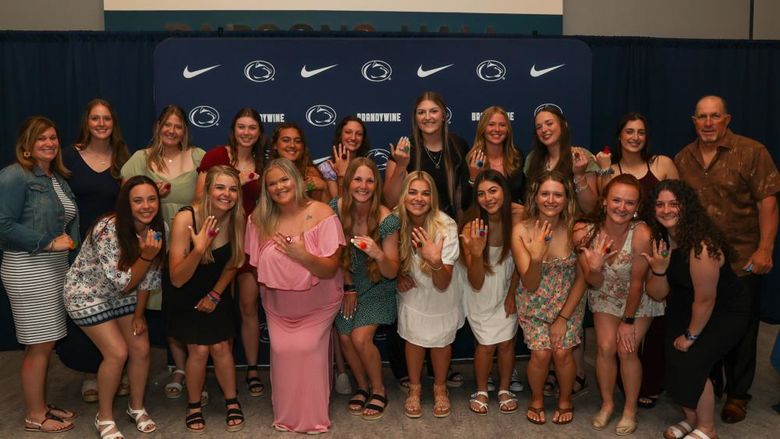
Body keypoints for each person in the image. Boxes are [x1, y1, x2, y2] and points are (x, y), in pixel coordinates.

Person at [674, 95, 779, 423]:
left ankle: (738, 394)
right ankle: (710, 385)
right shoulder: (683, 158)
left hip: (741, 260)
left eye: (714, 116)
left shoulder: (752, 151)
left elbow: (768, 203)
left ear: (727, 119)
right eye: (702, 117)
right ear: (694, 121)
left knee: (743, 332)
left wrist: (765, 249)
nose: (707, 123)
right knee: (703, 325)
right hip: (699, 261)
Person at [644, 179, 751, 439]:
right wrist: (658, 269)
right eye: (660, 204)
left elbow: (706, 299)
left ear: (686, 207)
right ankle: (691, 419)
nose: (666, 210)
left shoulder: (702, 244)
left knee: (691, 361)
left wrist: (691, 336)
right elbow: (657, 293)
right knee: (672, 358)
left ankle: (707, 428)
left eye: (673, 204)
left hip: (724, 310)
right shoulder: (662, 240)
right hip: (686, 304)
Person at [245, 158, 345, 434]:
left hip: (320, 302)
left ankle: (313, 418)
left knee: (307, 348)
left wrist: (302, 256)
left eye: (284, 180)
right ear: (266, 189)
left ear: (297, 180)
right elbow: (257, 268)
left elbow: (330, 268)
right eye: (272, 183)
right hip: (279, 307)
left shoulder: (322, 213)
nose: (280, 187)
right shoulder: (258, 219)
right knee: (281, 350)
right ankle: (286, 416)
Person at [63, 175, 164, 438]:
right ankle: (104, 417)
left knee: (141, 347)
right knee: (117, 353)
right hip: (87, 294)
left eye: (151, 199)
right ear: (126, 204)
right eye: (138, 200)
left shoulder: (155, 230)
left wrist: (140, 315)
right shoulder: (108, 228)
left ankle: (136, 407)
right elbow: (123, 282)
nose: (146, 206)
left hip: (122, 294)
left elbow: (148, 279)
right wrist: (146, 255)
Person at [383, 91, 470, 389]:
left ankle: (439, 374)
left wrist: (453, 240)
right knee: (411, 305)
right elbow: (391, 199)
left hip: (443, 232)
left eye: (434, 111)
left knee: (442, 300)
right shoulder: (405, 148)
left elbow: (463, 196)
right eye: (422, 112)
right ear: (415, 117)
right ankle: (411, 374)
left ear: (444, 114)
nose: (428, 117)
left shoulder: (458, 145)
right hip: (408, 231)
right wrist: (400, 164)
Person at [121, 104, 206, 399]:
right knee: (158, 305)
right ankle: (166, 367)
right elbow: (124, 199)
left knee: (184, 302)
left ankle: (189, 368)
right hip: (150, 243)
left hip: (186, 242)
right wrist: (151, 193)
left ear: (185, 130)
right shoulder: (139, 159)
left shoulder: (198, 157)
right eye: (167, 125)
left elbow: (208, 200)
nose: (172, 130)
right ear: (158, 127)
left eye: (178, 125)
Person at [0, 116, 79, 433]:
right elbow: (3, 225)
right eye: (41, 138)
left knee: (46, 342)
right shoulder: (14, 176)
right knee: (38, 344)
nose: (49, 143)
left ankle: (42, 405)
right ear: (26, 145)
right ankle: (34, 414)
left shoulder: (56, 178)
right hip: (27, 268)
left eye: (53, 137)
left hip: (53, 268)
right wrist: (46, 243)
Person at [596, 112, 677, 409]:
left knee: (654, 331)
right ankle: (617, 395)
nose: (635, 137)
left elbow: (679, 202)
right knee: (613, 344)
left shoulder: (662, 164)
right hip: (618, 256)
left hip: (656, 251)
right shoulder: (607, 167)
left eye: (640, 132)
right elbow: (597, 206)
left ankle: (651, 386)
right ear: (619, 136)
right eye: (629, 131)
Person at [60, 98, 132, 403]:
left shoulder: (122, 158)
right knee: (91, 311)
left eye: (106, 119)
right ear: (86, 123)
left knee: (116, 307)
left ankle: (117, 369)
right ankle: (91, 373)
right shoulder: (69, 158)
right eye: (95, 119)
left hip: (115, 247)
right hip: (80, 248)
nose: (101, 124)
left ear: (113, 123)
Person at [573, 174, 655, 435]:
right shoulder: (588, 232)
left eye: (629, 203)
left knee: (626, 348)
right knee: (606, 347)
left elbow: (637, 283)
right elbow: (594, 282)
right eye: (616, 200)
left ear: (637, 207)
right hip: (605, 293)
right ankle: (608, 404)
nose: (622, 207)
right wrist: (595, 267)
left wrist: (627, 322)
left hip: (638, 299)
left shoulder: (641, 233)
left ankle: (630, 409)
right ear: (604, 202)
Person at [166, 166, 246, 433]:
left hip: (216, 289)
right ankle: (193, 405)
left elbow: (235, 262)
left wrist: (215, 294)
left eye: (233, 189)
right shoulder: (185, 219)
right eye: (221, 187)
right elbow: (177, 278)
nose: (227, 194)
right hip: (185, 290)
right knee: (199, 349)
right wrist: (199, 248)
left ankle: (231, 400)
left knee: (222, 346)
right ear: (208, 190)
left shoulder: (237, 218)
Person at [194, 108, 266, 398]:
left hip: (248, 240)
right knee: (219, 304)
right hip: (218, 241)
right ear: (233, 129)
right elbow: (199, 199)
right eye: (241, 127)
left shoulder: (263, 162)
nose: (246, 132)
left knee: (248, 307)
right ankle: (212, 369)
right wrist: (238, 183)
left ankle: (250, 368)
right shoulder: (215, 157)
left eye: (252, 128)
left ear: (259, 132)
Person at [512, 170, 587, 425]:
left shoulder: (576, 229)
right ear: (535, 196)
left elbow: (582, 278)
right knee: (542, 354)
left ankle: (565, 399)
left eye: (558, 194)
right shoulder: (521, 230)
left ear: (567, 199)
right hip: (534, 301)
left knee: (563, 352)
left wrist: (563, 318)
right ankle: (536, 398)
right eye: (545, 194)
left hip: (568, 301)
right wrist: (536, 256)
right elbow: (530, 284)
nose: (551, 200)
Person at [330, 157, 399, 420]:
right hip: (348, 284)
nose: (363, 185)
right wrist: (348, 287)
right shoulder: (335, 209)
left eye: (369, 180)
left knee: (360, 337)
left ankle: (379, 390)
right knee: (345, 334)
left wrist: (378, 253)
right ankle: (361, 386)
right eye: (357, 179)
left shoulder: (387, 220)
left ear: (376, 185)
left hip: (379, 285)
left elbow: (391, 271)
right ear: (348, 183)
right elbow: (335, 255)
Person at [395, 171, 463, 418]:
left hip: (441, 292)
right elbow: (387, 261)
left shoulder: (446, 226)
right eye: (413, 192)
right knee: (413, 339)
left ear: (432, 197)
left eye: (425, 193)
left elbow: (443, 282)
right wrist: (397, 277)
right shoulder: (395, 220)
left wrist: (434, 261)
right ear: (404, 195)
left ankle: (440, 387)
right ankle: (414, 389)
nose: (418, 198)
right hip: (413, 291)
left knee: (441, 342)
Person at [460, 170, 520, 415]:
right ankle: (482, 389)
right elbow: (475, 281)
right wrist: (475, 253)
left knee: (506, 344)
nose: (488, 198)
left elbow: (519, 265)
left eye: (493, 191)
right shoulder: (470, 226)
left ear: (504, 191)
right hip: (480, 291)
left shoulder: (517, 219)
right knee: (485, 345)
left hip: (508, 288)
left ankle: (504, 388)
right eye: (481, 193)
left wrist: (512, 295)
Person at [524, 104, 599, 214]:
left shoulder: (581, 156)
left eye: (549, 123)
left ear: (564, 125)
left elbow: (591, 209)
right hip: (540, 226)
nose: (544, 129)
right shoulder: (532, 159)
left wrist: (579, 175)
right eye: (539, 127)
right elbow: (529, 202)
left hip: (574, 226)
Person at [466, 106, 526, 219]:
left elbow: (523, 193)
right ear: (483, 128)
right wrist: (474, 178)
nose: (497, 129)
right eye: (491, 124)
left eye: (502, 125)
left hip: (514, 220)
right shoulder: (472, 159)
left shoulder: (517, 157)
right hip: (483, 221)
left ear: (508, 130)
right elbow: (466, 205)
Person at [269, 122, 333, 202]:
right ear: (275, 145)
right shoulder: (268, 172)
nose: (292, 145)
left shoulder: (309, 173)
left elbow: (324, 210)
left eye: (297, 141)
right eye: (286, 140)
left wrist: (324, 187)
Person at [326, 116, 371, 197]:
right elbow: (337, 205)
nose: (353, 138)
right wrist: (341, 175)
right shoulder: (328, 167)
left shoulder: (368, 165)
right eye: (348, 132)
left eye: (359, 134)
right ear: (340, 135)